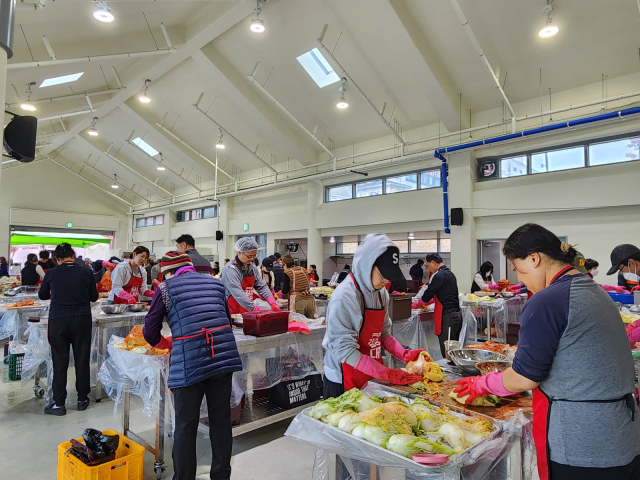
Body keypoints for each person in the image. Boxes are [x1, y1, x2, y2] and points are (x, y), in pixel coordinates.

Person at [453, 224, 640, 480]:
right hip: (622, 436)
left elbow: (524, 378)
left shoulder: (548, 300)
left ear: (534, 258)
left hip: (583, 445)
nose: (520, 279)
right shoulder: (593, 290)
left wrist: (482, 383)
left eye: (518, 269)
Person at [142, 252, 242, 480]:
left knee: (186, 425)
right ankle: (221, 476)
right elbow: (227, 320)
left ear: (168, 272)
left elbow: (149, 331)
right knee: (220, 420)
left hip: (190, 362)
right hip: (222, 359)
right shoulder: (216, 284)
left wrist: (166, 343)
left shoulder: (166, 288)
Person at [322, 234, 424, 398]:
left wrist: (403, 354)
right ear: (366, 265)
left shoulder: (380, 293)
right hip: (343, 378)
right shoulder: (345, 297)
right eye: (383, 275)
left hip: (371, 373)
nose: (386, 281)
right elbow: (345, 350)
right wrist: (388, 374)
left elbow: (383, 333)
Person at [38, 243, 99, 416]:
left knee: (59, 362)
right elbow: (94, 296)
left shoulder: (52, 272)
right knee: (82, 359)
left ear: (57, 259)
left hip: (58, 320)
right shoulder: (86, 272)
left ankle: (59, 404)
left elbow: (42, 295)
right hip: (81, 319)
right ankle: (82, 399)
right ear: (73, 255)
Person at [221, 237, 280, 314]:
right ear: (240, 252)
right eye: (249, 256)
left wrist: (272, 302)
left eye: (254, 256)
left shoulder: (251, 267)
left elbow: (261, 285)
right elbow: (238, 294)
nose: (252, 259)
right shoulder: (231, 269)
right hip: (233, 311)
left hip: (247, 310)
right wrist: (255, 309)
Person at [420, 253, 461, 358]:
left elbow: (427, 295)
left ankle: (451, 373)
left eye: (428, 265)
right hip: (455, 316)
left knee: (448, 351)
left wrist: (415, 304)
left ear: (433, 262)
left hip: (448, 317)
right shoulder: (449, 273)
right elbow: (440, 295)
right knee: (453, 350)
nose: (428, 268)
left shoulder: (439, 275)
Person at [281, 254, 315, 319]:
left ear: (284, 264)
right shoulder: (303, 269)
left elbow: (285, 290)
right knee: (310, 324)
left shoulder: (287, 272)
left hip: (298, 301)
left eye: (283, 266)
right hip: (310, 299)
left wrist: (281, 292)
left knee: (299, 325)